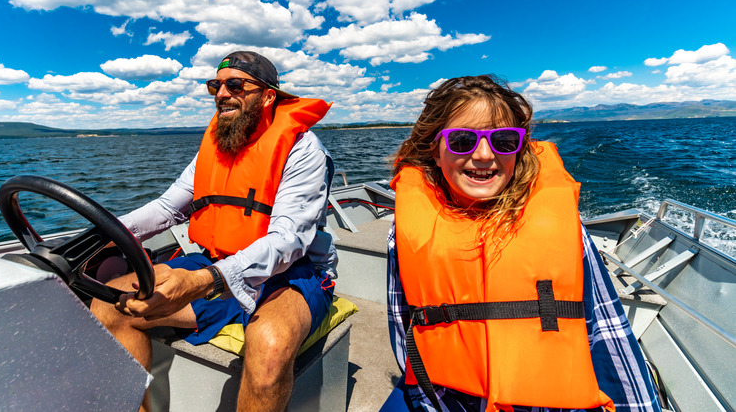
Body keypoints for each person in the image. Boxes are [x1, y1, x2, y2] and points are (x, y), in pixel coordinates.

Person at [380, 75, 662, 412]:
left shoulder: (563, 230)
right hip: (445, 397)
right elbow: (405, 331)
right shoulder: (405, 233)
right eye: (461, 140)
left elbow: (607, 331)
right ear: (435, 151)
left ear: (519, 150)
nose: (484, 155)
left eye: (502, 140)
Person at [90, 51, 338, 412]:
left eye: (235, 84)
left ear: (268, 96)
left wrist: (203, 281)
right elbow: (166, 208)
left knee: (269, 345)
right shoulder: (213, 148)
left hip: (295, 274)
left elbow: (288, 241)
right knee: (110, 304)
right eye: (215, 86)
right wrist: (102, 235)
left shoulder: (303, 150)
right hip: (217, 263)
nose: (222, 93)